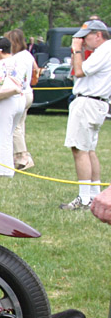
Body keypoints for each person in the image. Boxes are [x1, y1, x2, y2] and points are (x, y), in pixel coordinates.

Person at [60, 19, 111, 210]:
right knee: (89, 149)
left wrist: (76, 49)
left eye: (85, 37)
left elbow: (80, 71)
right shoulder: (104, 51)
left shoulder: (105, 50)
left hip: (88, 101)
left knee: (79, 149)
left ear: (98, 35)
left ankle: (85, 198)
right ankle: (94, 194)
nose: (82, 41)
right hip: (96, 102)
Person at [0, 37, 29, 177]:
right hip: (20, 99)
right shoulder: (20, 61)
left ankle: (4, 171)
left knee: (4, 136)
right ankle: (8, 168)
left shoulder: (2, 63)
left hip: (8, 101)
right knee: (10, 134)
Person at [6, 29, 37, 170]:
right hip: (29, 92)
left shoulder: (16, 58)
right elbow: (36, 70)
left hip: (20, 93)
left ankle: (24, 157)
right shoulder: (28, 55)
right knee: (20, 124)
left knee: (15, 126)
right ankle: (18, 155)